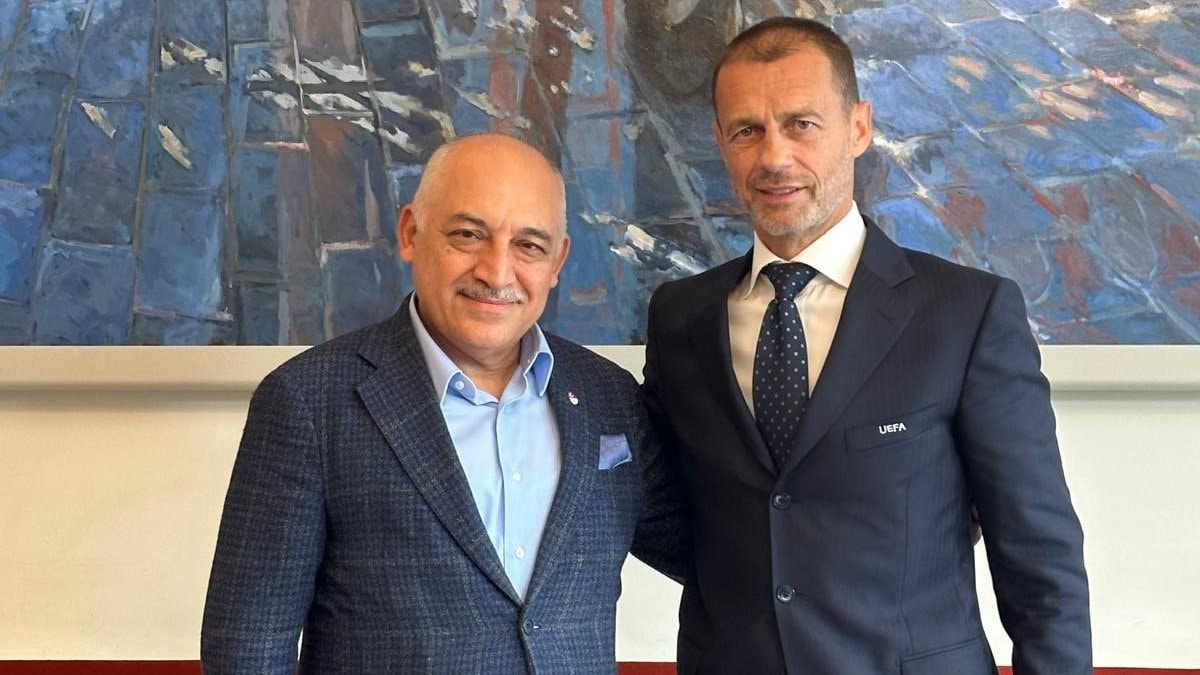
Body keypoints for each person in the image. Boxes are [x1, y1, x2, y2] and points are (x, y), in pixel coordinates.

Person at [642, 17, 1091, 674]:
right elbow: (671, 513)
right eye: (747, 131)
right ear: (720, 142)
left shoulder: (966, 314)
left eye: (801, 124)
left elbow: (1040, 562)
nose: (774, 157)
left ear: (858, 128)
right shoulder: (680, 317)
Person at [202, 134, 684, 673]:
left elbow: (715, 556)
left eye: (529, 245)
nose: (496, 272)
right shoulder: (309, 402)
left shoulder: (609, 398)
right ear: (411, 233)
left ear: (558, 261)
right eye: (468, 235)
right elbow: (247, 648)